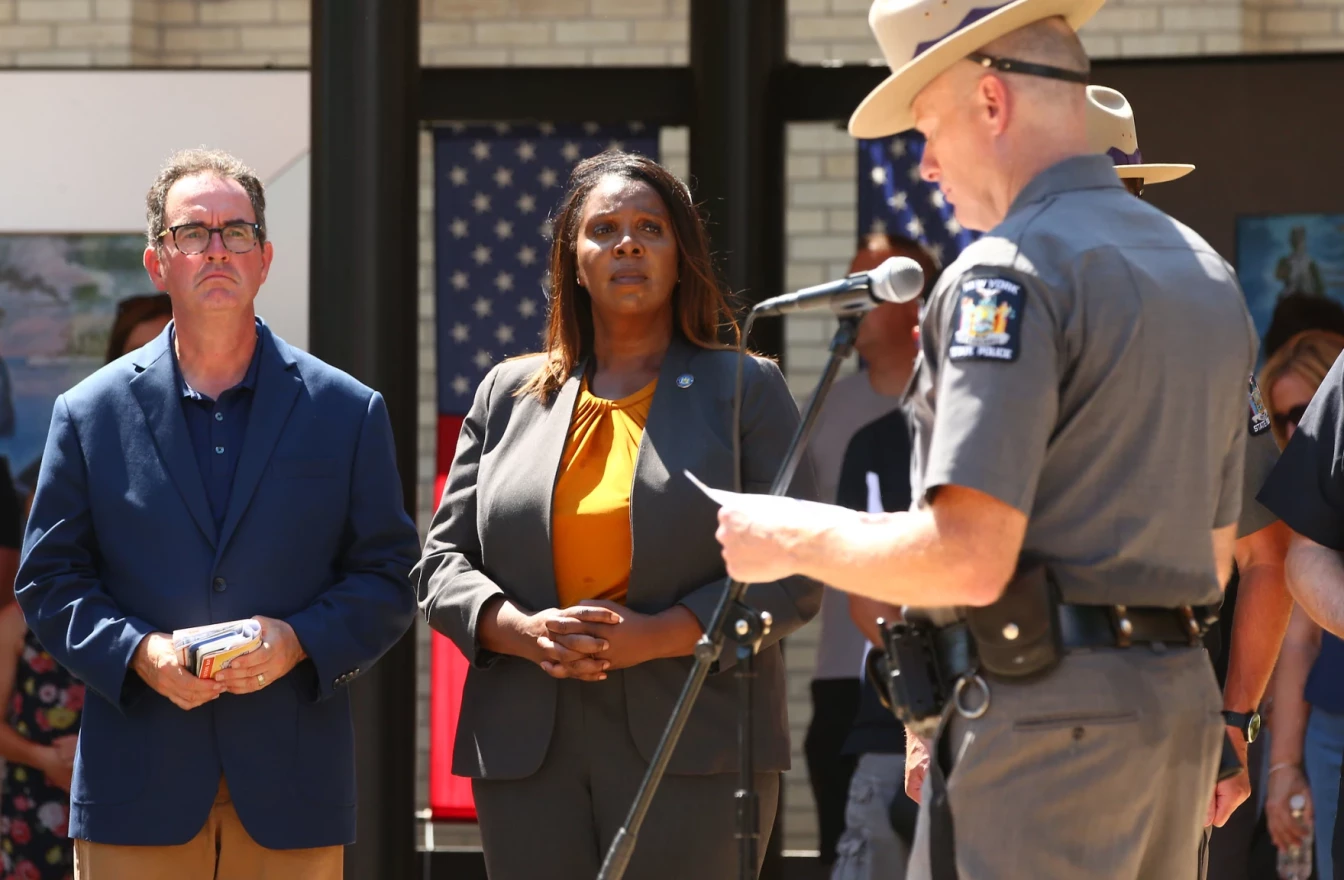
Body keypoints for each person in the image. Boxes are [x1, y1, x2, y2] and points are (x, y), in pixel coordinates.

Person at [712, 1, 1259, 876]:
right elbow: (1217, 551)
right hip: (1172, 716)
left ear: (993, 104)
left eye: (927, 128)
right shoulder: (1201, 269)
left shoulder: (1005, 270)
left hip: (1041, 727)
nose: (924, 165)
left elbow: (967, 557)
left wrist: (784, 537)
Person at [413, 150, 822, 880]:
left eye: (649, 228)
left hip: (694, 736)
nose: (627, 243)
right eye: (604, 229)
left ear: (680, 255)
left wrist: (662, 636)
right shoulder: (508, 394)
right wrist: (518, 629)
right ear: (573, 262)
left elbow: (796, 568)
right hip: (527, 745)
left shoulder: (745, 389)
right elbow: (441, 565)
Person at [15, 148, 420, 879]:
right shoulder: (89, 414)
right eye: (192, 233)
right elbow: (50, 581)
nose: (216, 251)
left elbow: (390, 576)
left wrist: (296, 641)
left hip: (291, 787)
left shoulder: (346, 410)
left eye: (236, 233)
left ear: (264, 258)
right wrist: (140, 653)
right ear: (156, 262)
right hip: (136, 786)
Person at [1088, 84, 1295, 880]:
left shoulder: (1200, 321)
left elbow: (1268, 556)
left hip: (1156, 716)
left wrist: (1235, 719)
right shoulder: (996, 307)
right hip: (1006, 713)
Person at [803, 232, 936, 870]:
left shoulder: (974, 406)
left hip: (967, 681)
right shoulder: (828, 407)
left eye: (871, 286)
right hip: (853, 683)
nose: (851, 301)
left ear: (918, 304)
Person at [1259, 331, 1344, 878]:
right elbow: (1299, 637)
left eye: (1302, 413)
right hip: (1334, 719)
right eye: (1280, 418)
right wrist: (1284, 764)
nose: (1293, 431)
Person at [0, 600, 82, 880]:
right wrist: (44, 759)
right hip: (31, 803)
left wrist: (90, 752)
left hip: (107, 802)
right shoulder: (16, 622)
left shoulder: (122, 620)